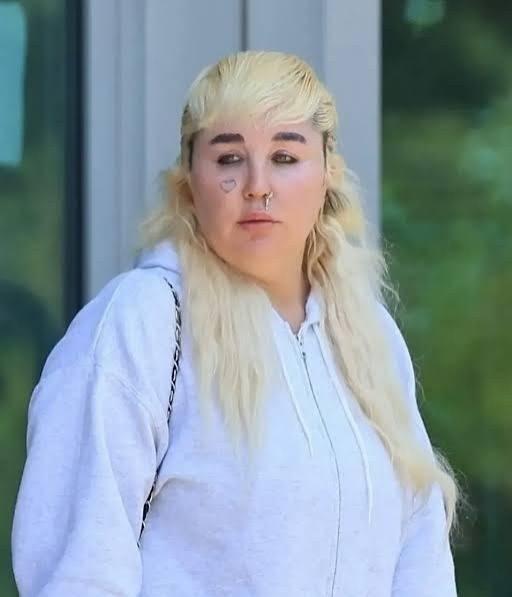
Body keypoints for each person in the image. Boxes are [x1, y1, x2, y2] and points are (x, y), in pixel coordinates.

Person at [12, 50, 459, 596]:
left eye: (285, 157)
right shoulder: (142, 323)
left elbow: (421, 557)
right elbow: (82, 572)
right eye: (228, 159)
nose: (257, 185)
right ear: (189, 181)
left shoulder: (368, 338)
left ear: (328, 174)